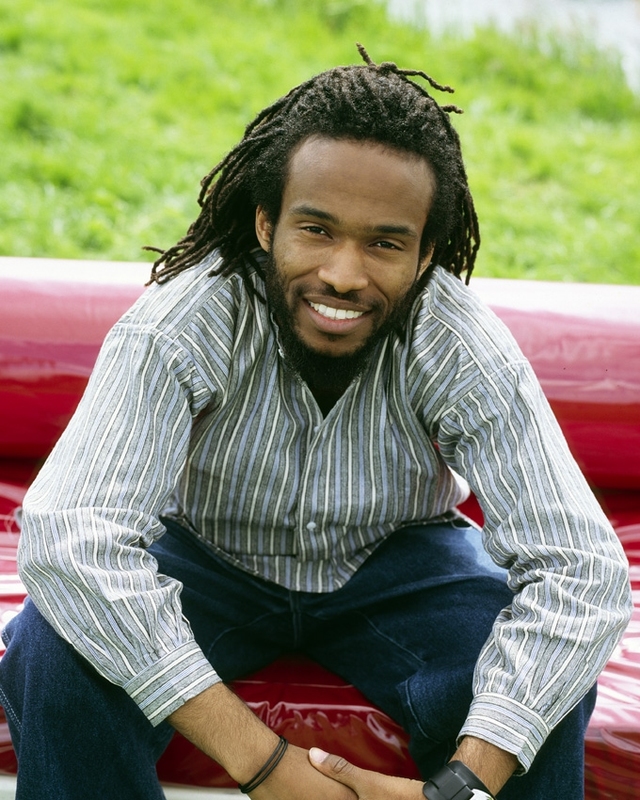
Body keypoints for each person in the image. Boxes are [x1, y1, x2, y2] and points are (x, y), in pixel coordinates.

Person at [0, 45, 631, 800]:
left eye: (385, 243)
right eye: (317, 230)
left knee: (544, 687)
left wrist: (462, 789)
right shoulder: (181, 323)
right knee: (55, 651)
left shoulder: (460, 342)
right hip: (205, 553)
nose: (342, 274)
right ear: (266, 224)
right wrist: (265, 765)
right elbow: (72, 537)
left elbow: (582, 570)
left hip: (403, 560)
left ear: (426, 254)